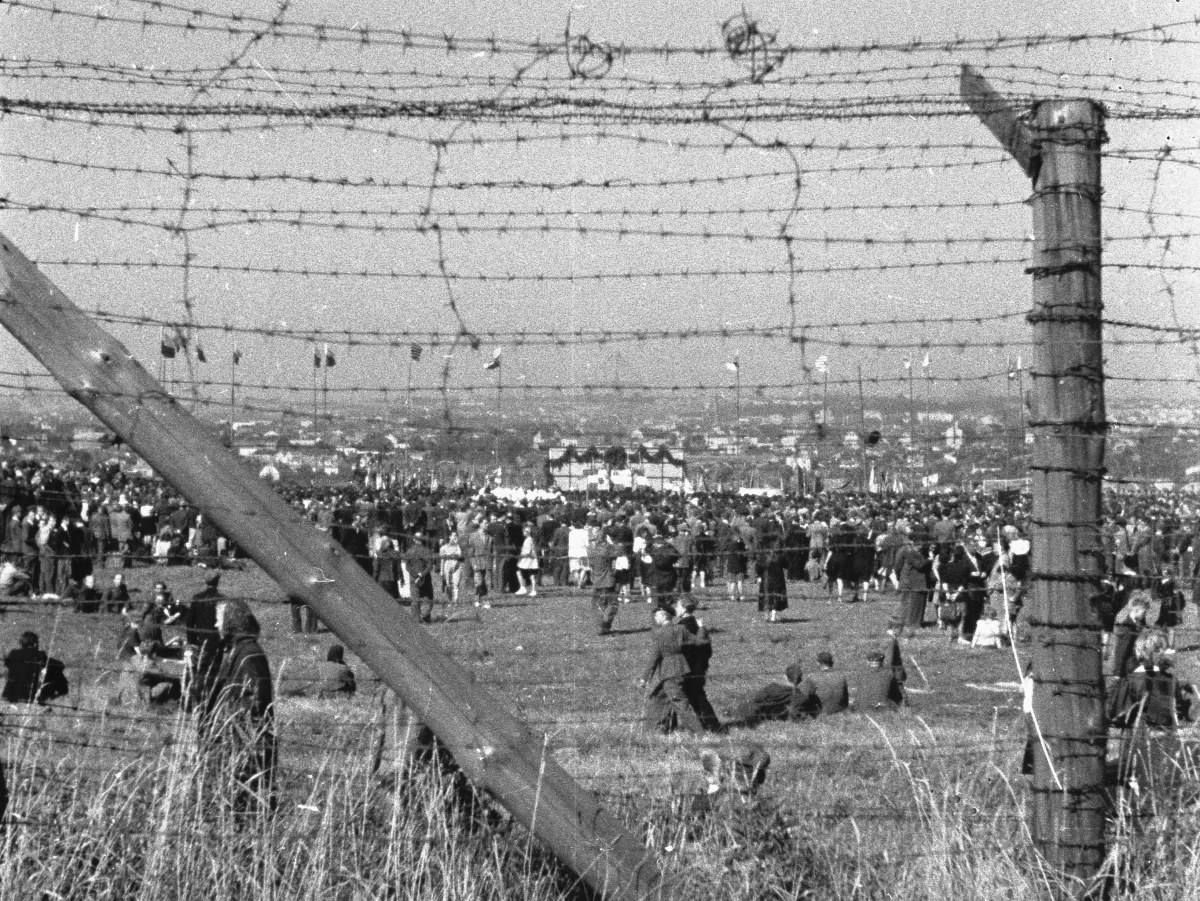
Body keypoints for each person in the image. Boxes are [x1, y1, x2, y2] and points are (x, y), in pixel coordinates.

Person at [210, 599, 276, 815]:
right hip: (240, 743)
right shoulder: (238, 650)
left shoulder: (248, 653)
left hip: (248, 745)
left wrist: (229, 719)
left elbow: (255, 701)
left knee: (247, 806)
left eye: (219, 620)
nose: (216, 625)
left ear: (231, 622)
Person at [640, 608, 705, 733]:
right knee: (658, 698)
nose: (655, 618)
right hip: (682, 669)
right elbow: (700, 642)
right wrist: (701, 628)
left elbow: (654, 658)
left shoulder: (659, 633)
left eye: (657, 616)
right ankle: (654, 731)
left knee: (680, 704)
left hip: (669, 672)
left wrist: (645, 678)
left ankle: (700, 734)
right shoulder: (680, 629)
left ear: (665, 617)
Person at [674, 596, 720, 731]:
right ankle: (712, 726)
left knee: (692, 698)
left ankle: (711, 726)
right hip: (699, 667)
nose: (675, 609)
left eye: (677, 606)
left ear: (683, 609)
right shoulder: (698, 625)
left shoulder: (682, 628)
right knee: (697, 697)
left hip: (687, 668)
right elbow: (707, 649)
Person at [185, 572, 225, 714]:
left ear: (205, 582)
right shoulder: (222, 599)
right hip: (216, 643)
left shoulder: (197, 598)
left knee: (198, 672)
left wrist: (191, 642)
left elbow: (189, 622)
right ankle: (212, 702)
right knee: (213, 673)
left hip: (200, 642)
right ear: (217, 582)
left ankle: (193, 703)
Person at [728, 658, 806, 727]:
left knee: (729, 714)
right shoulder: (799, 697)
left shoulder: (773, 688)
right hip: (763, 718)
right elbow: (795, 715)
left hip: (749, 713)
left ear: (785, 677)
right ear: (800, 680)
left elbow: (757, 698)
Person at [2, 631, 67, 704]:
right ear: (35, 644)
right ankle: (53, 696)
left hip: (11, 694)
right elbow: (60, 665)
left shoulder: (13, 653)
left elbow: (7, 664)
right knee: (57, 675)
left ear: (22, 643)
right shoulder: (39, 655)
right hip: (30, 695)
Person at [794, 651, 849, 718]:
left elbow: (800, 698)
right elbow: (846, 701)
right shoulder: (842, 677)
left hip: (820, 715)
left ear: (818, 663)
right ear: (832, 662)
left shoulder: (813, 678)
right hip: (839, 713)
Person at [589, 526, 619, 635]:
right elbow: (619, 552)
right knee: (613, 604)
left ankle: (600, 626)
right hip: (608, 579)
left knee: (597, 604)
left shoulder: (591, 549)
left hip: (596, 579)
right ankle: (605, 624)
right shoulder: (607, 548)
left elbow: (591, 564)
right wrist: (612, 542)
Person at [516, 522, 540, 597]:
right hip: (532, 560)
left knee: (519, 571)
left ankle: (523, 587)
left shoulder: (528, 540)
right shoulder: (532, 539)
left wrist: (520, 556)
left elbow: (527, 551)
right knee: (532, 574)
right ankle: (533, 590)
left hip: (527, 560)